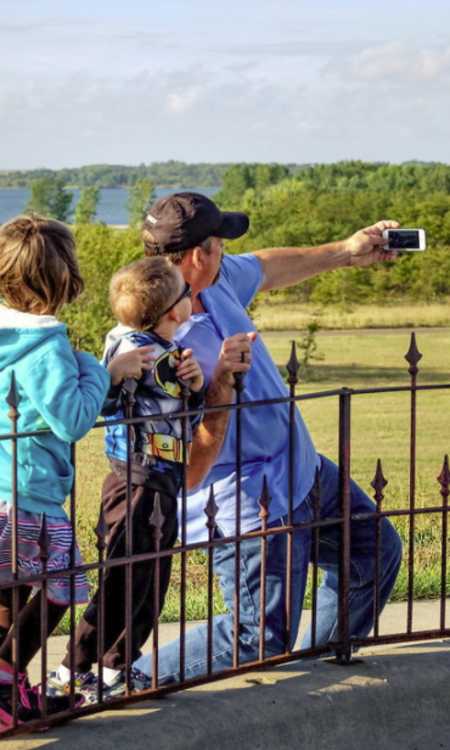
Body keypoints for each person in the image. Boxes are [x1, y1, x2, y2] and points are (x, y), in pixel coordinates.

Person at [132, 192, 403, 683]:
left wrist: (348, 249)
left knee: (375, 551)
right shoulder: (148, 348)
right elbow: (183, 472)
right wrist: (217, 389)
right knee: (256, 635)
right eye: (219, 243)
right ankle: (121, 682)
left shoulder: (218, 282)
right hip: (245, 506)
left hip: (301, 472)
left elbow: (267, 266)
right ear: (199, 254)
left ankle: (315, 679)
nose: (226, 253)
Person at [0, 215, 151, 727]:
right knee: (60, 586)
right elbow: (71, 419)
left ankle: (6, 691)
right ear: (64, 281)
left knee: (11, 592)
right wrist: (100, 371)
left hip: (2, 487)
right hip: (32, 494)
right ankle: (4, 685)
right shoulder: (47, 348)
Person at [48, 256, 209, 701]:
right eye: (187, 293)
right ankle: (74, 669)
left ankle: (117, 667)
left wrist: (193, 385)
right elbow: (116, 405)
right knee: (129, 577)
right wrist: (191, 385)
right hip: (142, 479)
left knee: (146, 576)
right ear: (174, 312)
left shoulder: (139, 344)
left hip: (152, 477)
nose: (192, 298)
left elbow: (178, 412)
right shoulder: (141, 353)